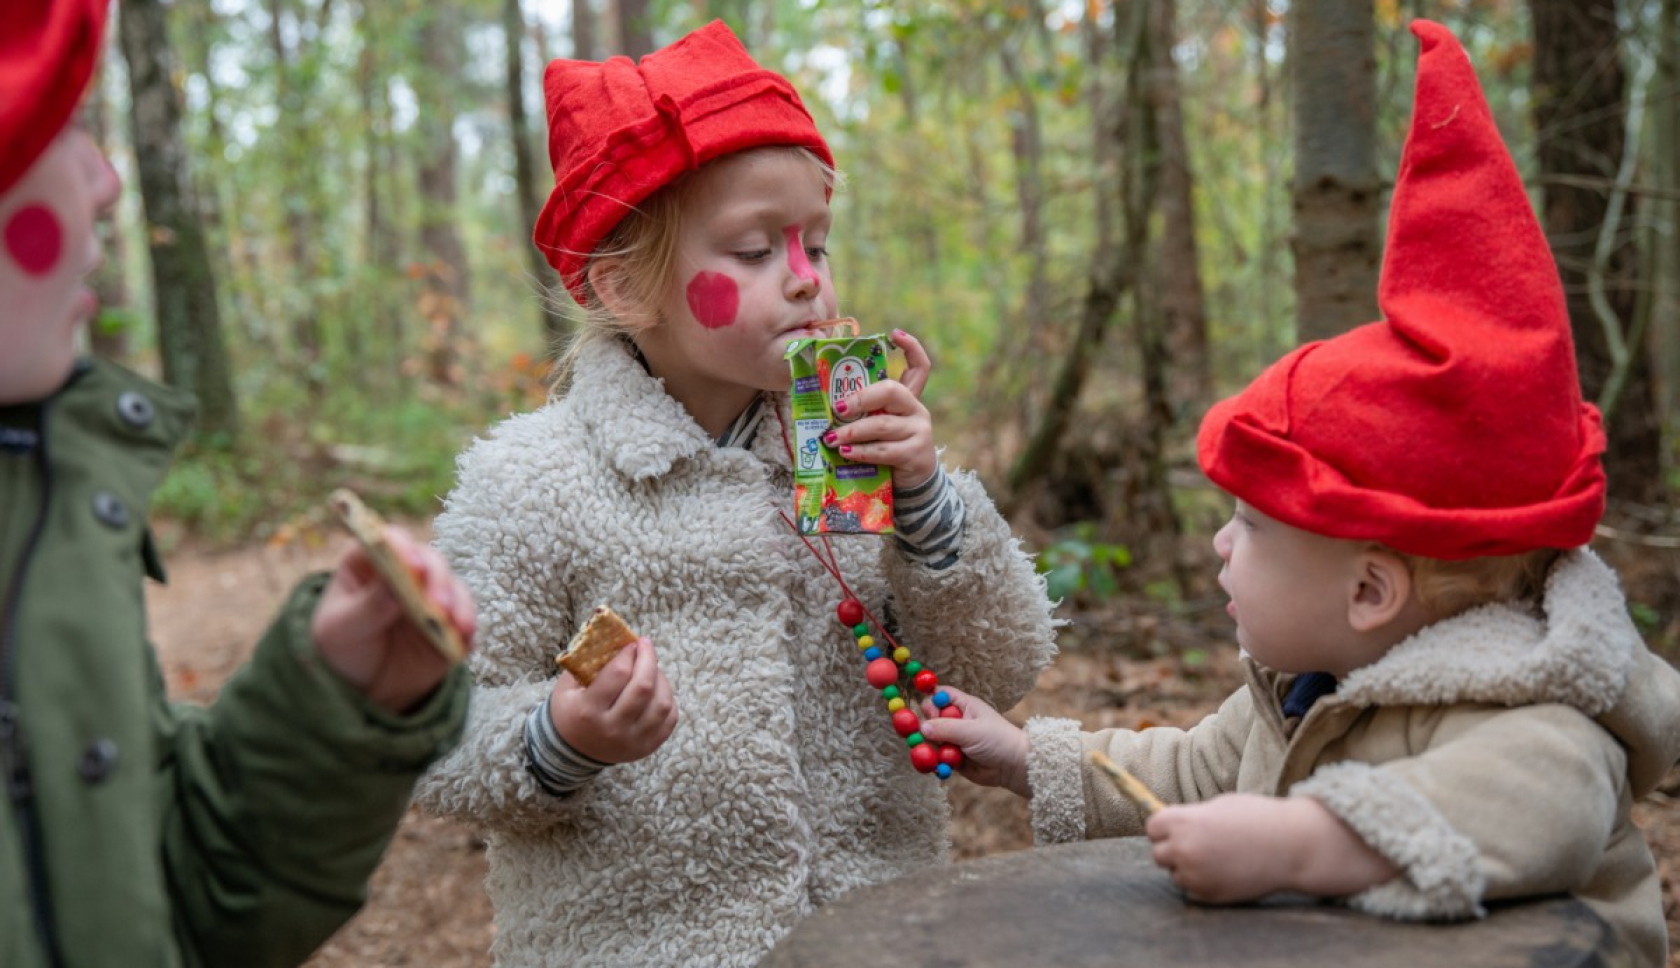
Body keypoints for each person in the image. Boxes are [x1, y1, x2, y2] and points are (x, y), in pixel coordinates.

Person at [916, 20, 1680, 968]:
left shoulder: (1526, 703)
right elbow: (1195, 772)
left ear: (1369, 592)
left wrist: (1304, 844)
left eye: (1248, 526)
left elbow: (1540, 811)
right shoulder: (1306, 687)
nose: (1218, 547)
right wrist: (1032, 760)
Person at [412, 19, 1057, 968]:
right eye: (756, 252)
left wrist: (924, 499)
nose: (806, 283)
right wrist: (562, 733)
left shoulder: (850, 452)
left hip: (878, 937)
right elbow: (436, 738)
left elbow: (999, 664)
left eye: (818, 246)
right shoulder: (529, 485)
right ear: (627, 285)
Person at [0, 4, 477, 966]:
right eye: (59, 123)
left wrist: (332, 714)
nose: (104, 181)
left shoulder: (40, 529)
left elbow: (147, 898)